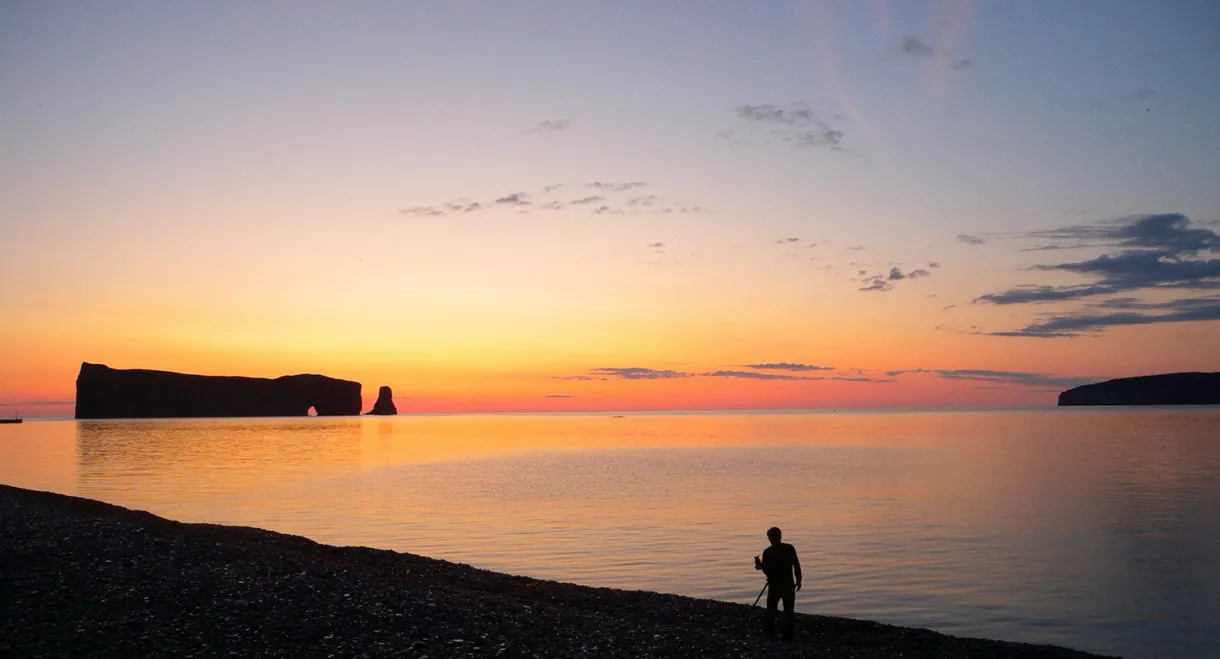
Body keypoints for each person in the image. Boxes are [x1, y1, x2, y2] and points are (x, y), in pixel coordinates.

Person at [753, 526, 802, 640]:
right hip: (788, 584)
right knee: (788, 611)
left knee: (771, 609)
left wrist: (759, 565)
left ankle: (770, 634)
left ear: (769, 538)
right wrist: (799, 579)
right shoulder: (789, 548)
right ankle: (788, 635)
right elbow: (796, 564)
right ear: (780, 536)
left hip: (774, 585)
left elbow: (766, 571)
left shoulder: (767, 552)